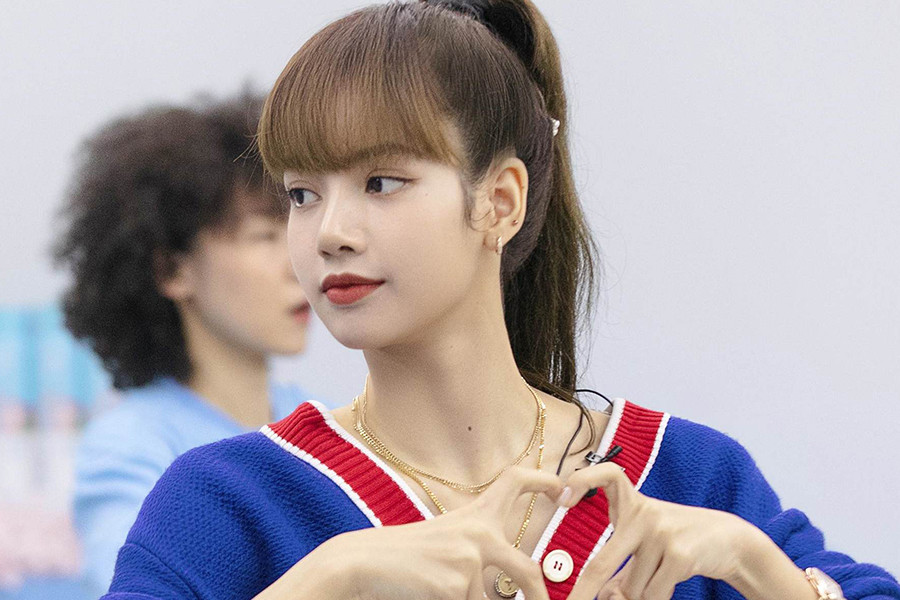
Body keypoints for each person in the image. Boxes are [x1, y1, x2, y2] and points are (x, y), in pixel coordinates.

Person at [100, 3, 899, 600]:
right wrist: (328, 579)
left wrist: (755, 564)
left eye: (381, 182)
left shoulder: (691, 476)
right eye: (302, 194)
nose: (329, 233)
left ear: (500, 201)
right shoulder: (227, 502)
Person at [54, 91, 316, 598]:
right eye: (265, 236)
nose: (300, 262)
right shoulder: (132, 447)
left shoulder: (322, 420)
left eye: (298, 225)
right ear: (173, 271)